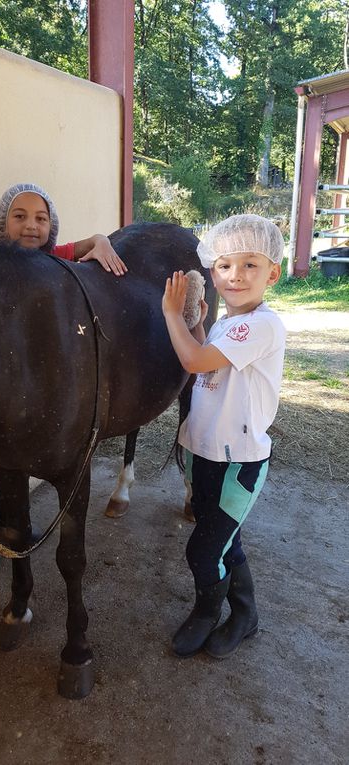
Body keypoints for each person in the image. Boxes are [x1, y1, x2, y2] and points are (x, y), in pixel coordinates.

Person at [0, 183, 127, 568]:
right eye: (19, 217)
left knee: (15, 457)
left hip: (31, 387)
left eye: (41, 218)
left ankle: (8, 522)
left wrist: (101, 241)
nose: (31, 226)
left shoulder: (54, 259)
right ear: (3, 223)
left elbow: (85, 245)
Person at [162, 213, 286, 660]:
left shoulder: (262, 325)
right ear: (213, 272)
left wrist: (172, 314)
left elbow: (195, 362)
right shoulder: (229, 323)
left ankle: (206, 612)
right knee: (225, 539)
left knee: (204, 547)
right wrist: (196, 320)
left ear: (273, 272)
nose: (236, 275)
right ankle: (245, 614)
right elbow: (206, 354)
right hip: (204, 452)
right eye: (225, 265)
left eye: (250, 265)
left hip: (239, 461)